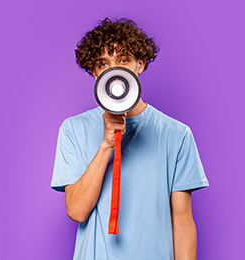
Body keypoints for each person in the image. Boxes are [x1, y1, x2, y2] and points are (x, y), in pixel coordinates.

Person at [51, 18, 209, 260]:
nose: (114, 70)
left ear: (140, 65)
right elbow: (77, 211)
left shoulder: (177, 134)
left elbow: (182, 221)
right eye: (103, 63)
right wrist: (106, 145)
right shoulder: (73, 129)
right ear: (93, 73)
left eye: (123, 60)